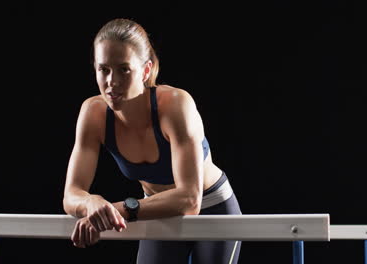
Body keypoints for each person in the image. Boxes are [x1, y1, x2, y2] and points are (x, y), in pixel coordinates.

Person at [62, 18, 242, 264]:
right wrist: (92, 203)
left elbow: (189, 200)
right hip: (156, 211)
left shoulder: (176, 105)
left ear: (146, 71)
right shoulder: (93, 114)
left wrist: (114, 211)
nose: (111, 82)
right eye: (103, 69)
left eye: (124, 69)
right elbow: (71, 195)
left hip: (212, 206)